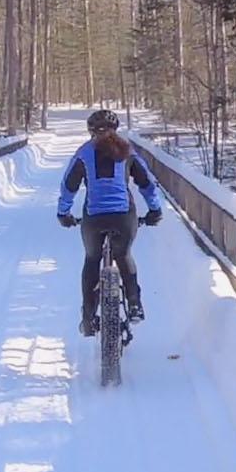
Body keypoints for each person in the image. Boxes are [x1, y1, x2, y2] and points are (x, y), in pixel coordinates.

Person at [57, 109, 163, 337]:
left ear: (90, 131)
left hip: (93, 219)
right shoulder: (127, 151)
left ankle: (87, 318)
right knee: (123, 255)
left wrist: (63, 213)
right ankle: (134, 304)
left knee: (92, 258)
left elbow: (69, 186)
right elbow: (147, 182)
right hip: (124, 217)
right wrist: (155, 209)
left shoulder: (84, 153)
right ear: (116, 129)